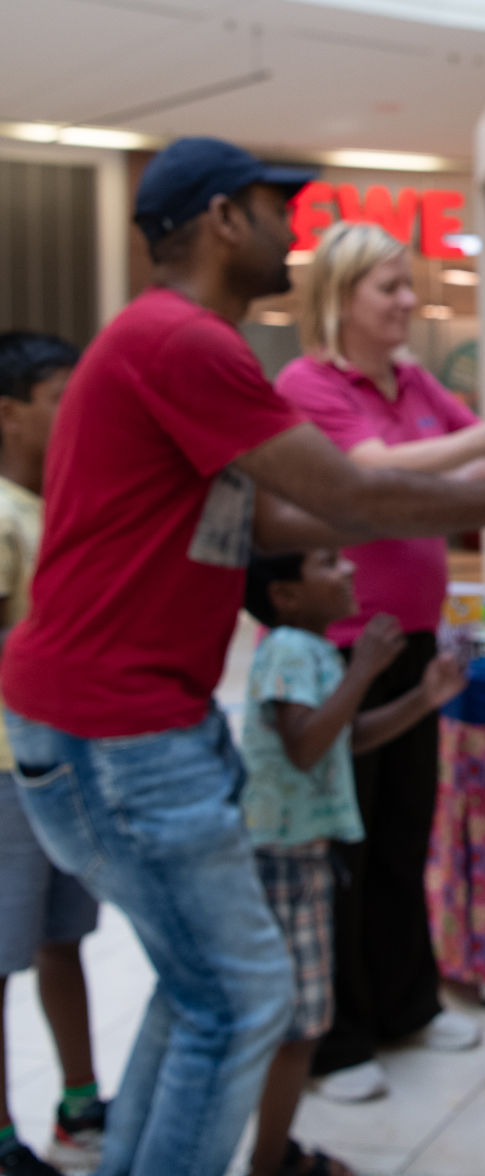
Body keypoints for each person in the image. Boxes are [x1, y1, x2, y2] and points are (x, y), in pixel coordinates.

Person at [0, 138, 485, 1176]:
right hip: (118, 727)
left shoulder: (167, 341)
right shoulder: (184, 341)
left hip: (116, 719)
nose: (294, 232)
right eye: (281, 209)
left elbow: (278, 513)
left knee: (204, 989)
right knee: (244, 997)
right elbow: (348, 494)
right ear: (223, 218)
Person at [275, 221, 485, 1101]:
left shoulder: (410, 383)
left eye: (410, 286)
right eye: (390, 289)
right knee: (345, 849)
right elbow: (371, 475)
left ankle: (406, 1005)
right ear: (341, 296)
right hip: (340, 653)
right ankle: (338, 1040)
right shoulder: (308, 386)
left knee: (406, 833)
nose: (409, 303)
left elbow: (484, 464)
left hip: (413, 642)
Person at [239, 548, 466, 1176]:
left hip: (304, 853)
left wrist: (424, 697)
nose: (348, 571)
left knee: (300, 1017)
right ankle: (271, 1158)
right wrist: (363, 669)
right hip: (285, 857)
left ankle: (274, 1153)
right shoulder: (289, 648)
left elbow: (349, 736)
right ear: (285, 594)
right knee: (300, 1022)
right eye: (325, 564)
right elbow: (308, 747)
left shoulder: (308, 651)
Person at [0, 334, 108, 1176]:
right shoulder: (3, 513)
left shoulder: (64, 506)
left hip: (65, 764)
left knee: (63, 938)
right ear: (10, 414)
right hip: (7, 770)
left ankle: (80, 1103)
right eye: (59, 399)